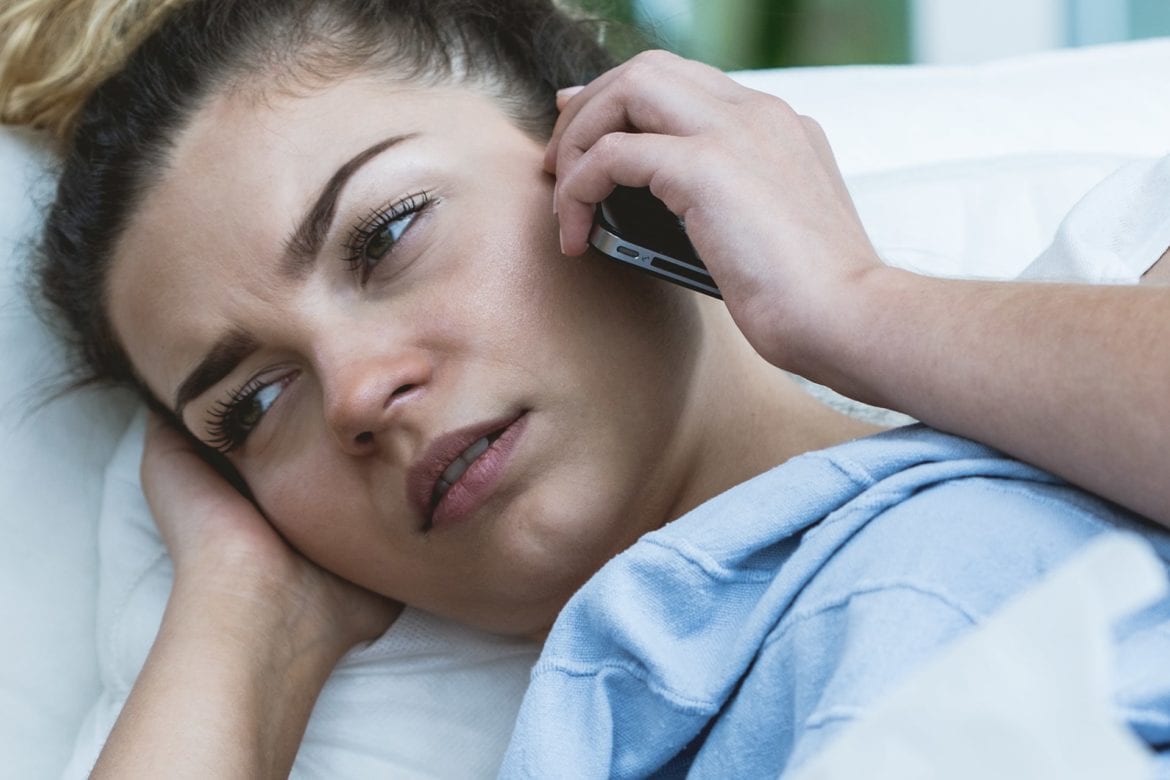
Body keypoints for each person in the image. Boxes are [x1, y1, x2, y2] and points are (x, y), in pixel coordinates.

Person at [2, 0, 1170, 775]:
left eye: (388, 232)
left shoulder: (1106, 288)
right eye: (253, 407)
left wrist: (858, 303)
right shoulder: (584, 737)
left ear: (607, 150)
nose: (355, 393)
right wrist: (246, 617)